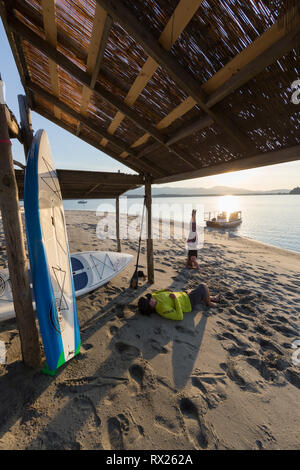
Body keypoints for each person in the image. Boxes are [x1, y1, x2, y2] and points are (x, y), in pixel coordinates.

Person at [137, 284, 220, 320]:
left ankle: (211, 298)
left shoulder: (153, 296)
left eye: (148, 298)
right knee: (203, 286)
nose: (150, 298)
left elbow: (156, 293)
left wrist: (166, 290)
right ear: (150, 306)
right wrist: (175, 300)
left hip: (183, 294)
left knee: (193, 291)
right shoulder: (163, 310)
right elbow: (179, 316)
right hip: (188, 303)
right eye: (149, 300)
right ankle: (209, 303)